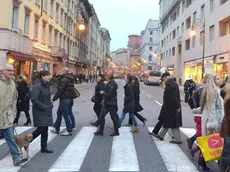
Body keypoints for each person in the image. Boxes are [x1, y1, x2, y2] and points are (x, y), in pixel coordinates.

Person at [0, 64, 28, 165]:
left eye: (13, 71)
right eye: (9, 70)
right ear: (2, 71)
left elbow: (14, 100)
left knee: (11, 138)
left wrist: (13, 114)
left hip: (7, 116)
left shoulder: (12, 83)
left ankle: (16, 158)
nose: (11, 73)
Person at [152, 72, 183, 144]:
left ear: (166, 78)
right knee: (169, 121)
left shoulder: (170, 84)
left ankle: (177, 139)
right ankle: (161, 135)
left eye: (163, 79)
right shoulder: (172, 83)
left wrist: (177, 107)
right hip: (171, 106)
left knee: (173, 123)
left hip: (171, 107)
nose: (163, 81)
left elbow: (173, 97)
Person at [31, 70, 53, 153]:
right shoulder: (38, 86)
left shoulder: (45, 85)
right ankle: (26, 141)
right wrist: (44, 107)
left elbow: (47, 97)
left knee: (45, 129)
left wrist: (50, 104)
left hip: (46, 110)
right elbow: (34, 99)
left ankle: (44, 147)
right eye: (47, 75)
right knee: (41, 128)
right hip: (40, 110)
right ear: (42, 76)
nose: (49, 77)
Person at [51, 68, 78, 136]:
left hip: (65, 99)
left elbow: (60, 90)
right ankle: (57, 129)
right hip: (69, 99)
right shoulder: (70, 79)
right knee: (59, 113)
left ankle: (69, 130)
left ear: (64, 72)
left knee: (65, 115)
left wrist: (54, 98)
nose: (60, 72)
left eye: (61, 71)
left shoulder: (63, 79)